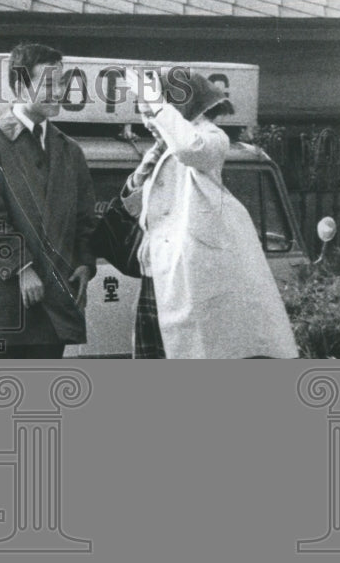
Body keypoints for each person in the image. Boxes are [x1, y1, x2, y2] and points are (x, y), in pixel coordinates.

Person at [120, 68, 298, 359]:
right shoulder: (164, 149)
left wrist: (156, 101)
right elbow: (137, 211)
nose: (147, 122)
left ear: (177, 107)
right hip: (158, 275)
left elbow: (190, 148)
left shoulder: (211, 138)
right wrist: (139, 177)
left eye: (150, 112)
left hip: (189, 279)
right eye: (144, 113)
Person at [0, 43, 97, 358]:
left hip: (57, 299)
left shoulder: (70, 152)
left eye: (61, 83)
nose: (57, 92)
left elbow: (85, 218)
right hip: (10, 299)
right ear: (18, 86)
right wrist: (21, 268)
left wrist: (85, 263)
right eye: (47, 84)